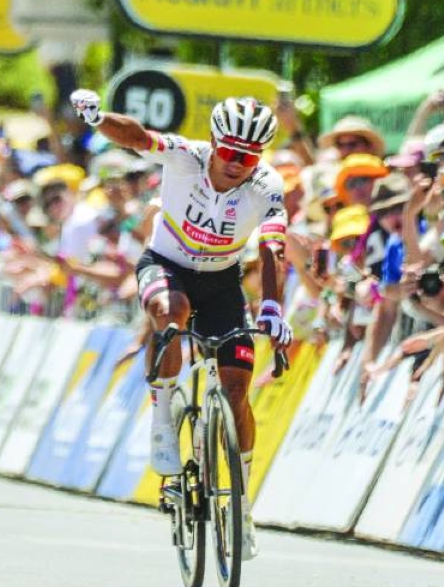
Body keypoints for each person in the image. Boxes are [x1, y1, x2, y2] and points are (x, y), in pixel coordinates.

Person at [69, 90, 291, 560]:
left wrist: (272, 309)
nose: (236, 163)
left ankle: (243, 506)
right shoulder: (188, 156)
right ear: (214, 142)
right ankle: (163, 417)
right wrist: (98, 118)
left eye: (248, 157)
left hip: (222, 282)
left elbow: (273, 249)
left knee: (236, 393)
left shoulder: (268, 186)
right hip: (166, 265)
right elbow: (138, 137)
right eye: (230, 152)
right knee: (171, 314)